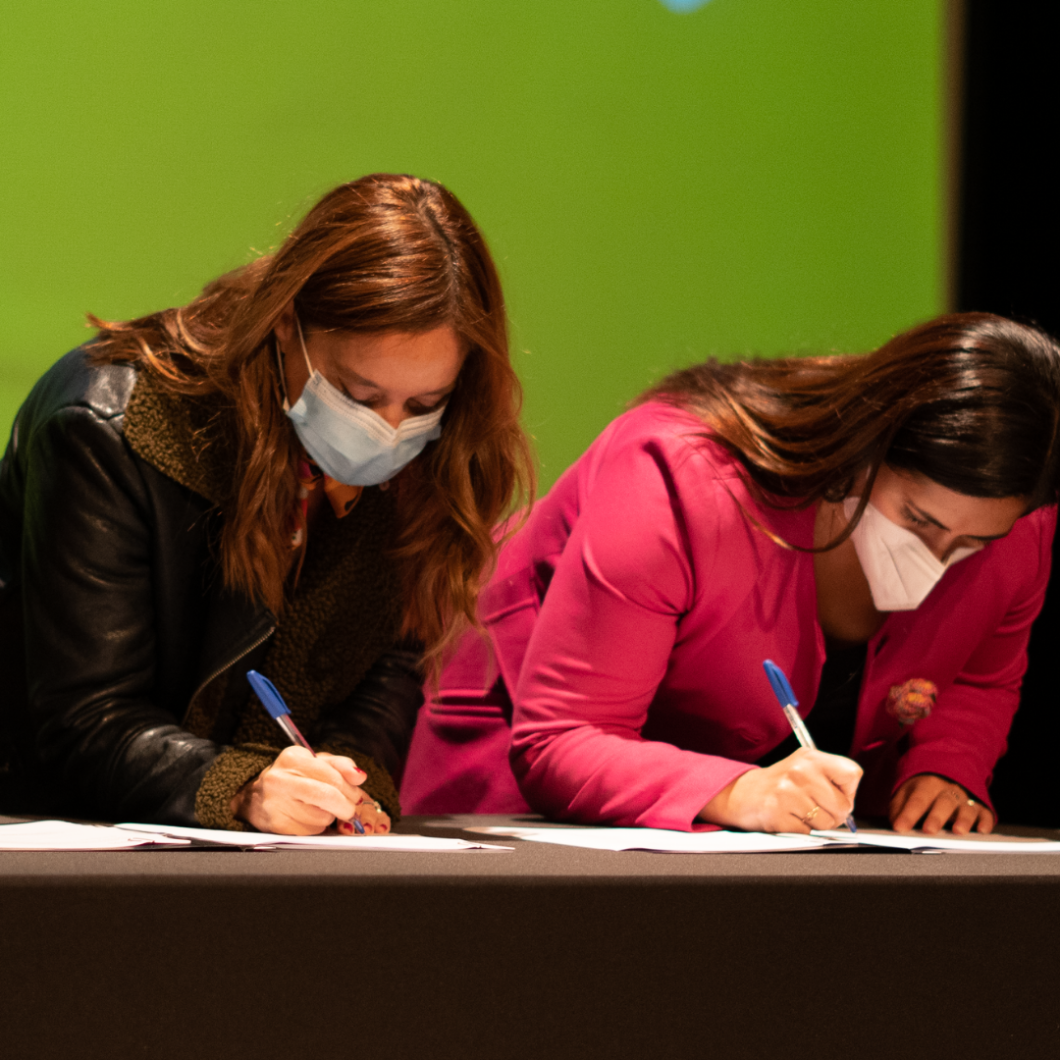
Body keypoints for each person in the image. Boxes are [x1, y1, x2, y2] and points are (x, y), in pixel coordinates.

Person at [0, 173, 532, 835]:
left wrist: (344, 778)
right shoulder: (108, 424)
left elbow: (392, 669)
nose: (391, 431)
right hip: (55, 844)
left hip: (268, 862)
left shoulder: (444, 456)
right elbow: (88, 721)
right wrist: (243, 789)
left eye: (423, 405)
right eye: (359, 396)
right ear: (288, 322)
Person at [402, 312, 1060, 835]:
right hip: (524, 775)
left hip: (767, 826)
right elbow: (565, 740)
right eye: (916, 519)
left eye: (970, 543)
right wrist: (737, 789)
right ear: (864, 448)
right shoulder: (677, 474)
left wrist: (945, 771)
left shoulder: (1015, 533)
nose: (937, 562)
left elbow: (978, 672)